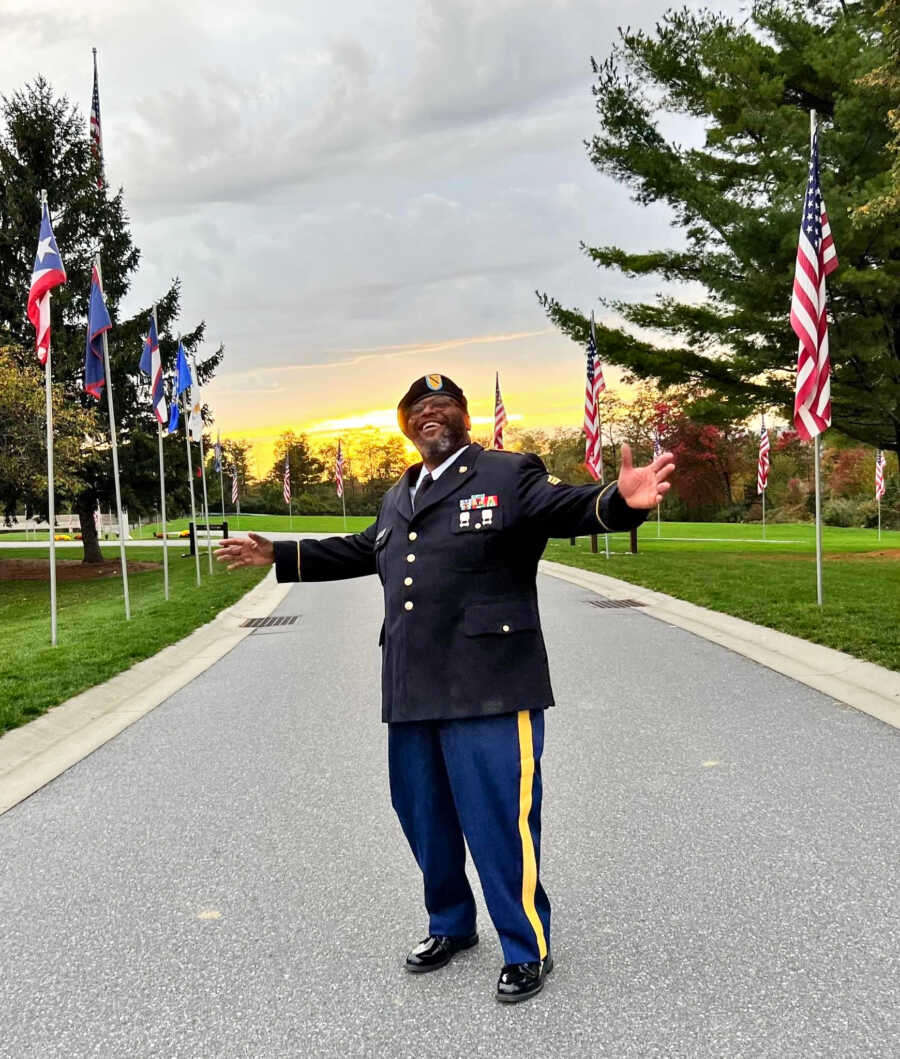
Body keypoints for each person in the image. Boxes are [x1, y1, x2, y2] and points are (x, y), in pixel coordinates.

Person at [216, 373, 675, 1003]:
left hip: (488, 684)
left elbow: (565, 508)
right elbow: (360, 550)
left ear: (464, 418)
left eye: (443, 406)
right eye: (417, 409)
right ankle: (451, 926)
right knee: (424, 818)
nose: (430, 415)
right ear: (405, 424)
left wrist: (619, 504)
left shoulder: (508, 475)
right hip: (411, 684)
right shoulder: (399, 495)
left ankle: (525, 946)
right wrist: (280, 556)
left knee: (498, 823)